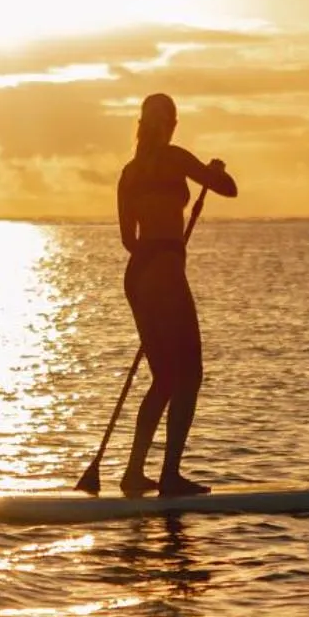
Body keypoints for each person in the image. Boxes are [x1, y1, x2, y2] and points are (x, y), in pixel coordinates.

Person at [115, 93, 237, 498]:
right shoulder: (175, 157)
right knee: (190, 374)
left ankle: (134, 473)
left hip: (138, 276)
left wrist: (156, 252)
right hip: (165, 272)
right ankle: (169, 476)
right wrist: (212, 171)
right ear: (169, 125)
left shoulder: (128, 173)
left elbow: (128, 240)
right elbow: (229, 189)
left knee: (165, 377)